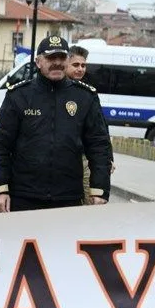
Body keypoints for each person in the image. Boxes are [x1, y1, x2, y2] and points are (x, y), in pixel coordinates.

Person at [0, 36, 113, 212]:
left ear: (67, 60)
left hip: (68, 197)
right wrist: (0, 189)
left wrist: (99, 189)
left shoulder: (85, 97)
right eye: (51, 57)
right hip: (24, 196)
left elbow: (99, 145)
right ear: (38, 62)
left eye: (61, 57)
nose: (57, 63)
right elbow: (0, 145)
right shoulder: (19, 95)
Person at [65, 44, 115, 205]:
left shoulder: (88, 93)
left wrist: (108, 158)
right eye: (75, 65)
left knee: (88, 202)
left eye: (83, 65)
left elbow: (101, 129)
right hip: (64, 158)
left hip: (85, 158)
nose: (80, 69)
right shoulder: (55, 91)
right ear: (65, 64)